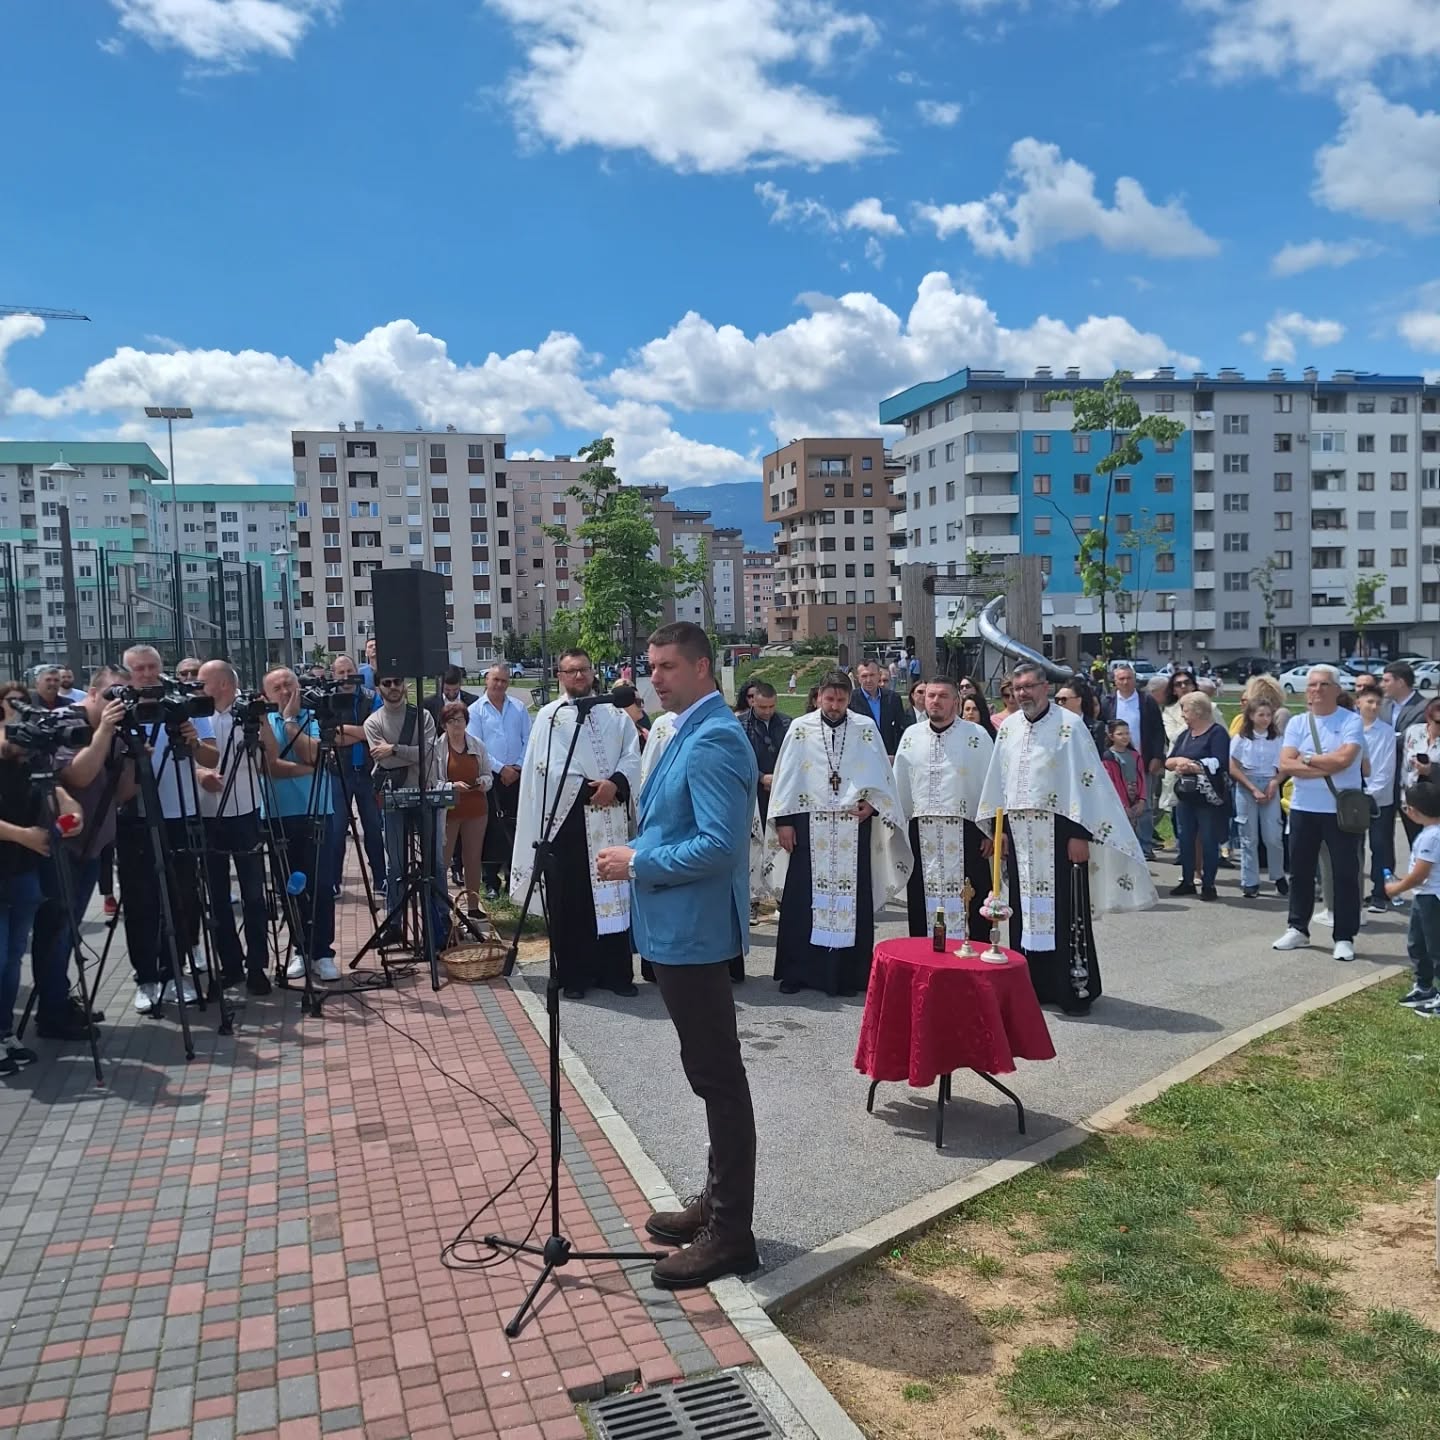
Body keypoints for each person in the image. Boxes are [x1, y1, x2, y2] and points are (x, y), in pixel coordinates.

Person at [595, 623, 759, 1288]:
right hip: (674, 931)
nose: (653, 677)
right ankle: (715, 1205)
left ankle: (731, 1232)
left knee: (718, 1079)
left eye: (666, 666)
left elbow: (720, 846)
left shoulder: (716, 735)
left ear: (701, 668)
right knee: (707, 1073)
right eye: (651, 665)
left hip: (694, 933)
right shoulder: (687, 727)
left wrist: (637, 862)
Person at [976, 662, 1157, 1015]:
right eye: (1017, 687)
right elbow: (998, 781)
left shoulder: (1070, 727)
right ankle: (1031, 986)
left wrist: (1080, 835)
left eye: (1029, 686)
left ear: (1045, 687)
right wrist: (1002, 834)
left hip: (1060, 833)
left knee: (1066, 910)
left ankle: (1072, 987)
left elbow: (1087, 785)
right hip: (1021, 834)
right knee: (1025, 912)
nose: (1023, 693)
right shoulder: (1009, 728)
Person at [763, 670, 911, 997]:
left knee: (852, 899)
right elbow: (787, 777)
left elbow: (881, 778)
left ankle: (849, 974)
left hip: (852, 824)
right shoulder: (800, 730)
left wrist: (872, 806)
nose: (834, 706)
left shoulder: (865, 728)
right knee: (802, 899)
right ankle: (797, 972)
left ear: (848, 698)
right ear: (818, 697)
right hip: (807, 824)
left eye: (840, 699)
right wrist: (784, 822)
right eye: (828, 699)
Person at [511, 649, 642, 1000]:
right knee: (573, 900)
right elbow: (544, 769)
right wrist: (586, 789)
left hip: (610, 816)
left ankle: (616, 974)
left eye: (583, 669)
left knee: (614, 892)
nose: (578, 677)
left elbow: (632, 755)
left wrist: (615, 782)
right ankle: (575, 976)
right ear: (559, 676)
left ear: (593, 671)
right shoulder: (550, 717)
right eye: (570, 672)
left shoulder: (616, 713)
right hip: (567, 822)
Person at [29, 668, 134, 1040]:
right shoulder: (64, 723)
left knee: (69, 931)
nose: (117, 704)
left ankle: (60, 999)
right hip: (60, 844)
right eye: (111, 695)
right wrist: (105, 731)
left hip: (92, 845)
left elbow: (121, 794)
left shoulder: (121, 730)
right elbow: (78, 776)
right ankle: (52, 1013)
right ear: (91, 692)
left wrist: (135, 756)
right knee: (56, 930)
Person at [114, 644, 219, 1014]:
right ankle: (147, 977)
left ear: (161, 668)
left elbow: (212, 756)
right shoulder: (120, 710)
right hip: (137, 818)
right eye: (138, 668)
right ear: (128, 672)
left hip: (182, 815)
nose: (146, 674)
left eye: (151, 667)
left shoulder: (179, 704)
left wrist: (191, 740)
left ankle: (176, 972)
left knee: (182, 898)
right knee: (142, 902)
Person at [0, 724, 82, 1073]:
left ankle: (5, 1034)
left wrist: (71, 811)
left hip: (22, 872)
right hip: (11, 862)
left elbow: (60, 796)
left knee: (13, 956)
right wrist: (22, 836)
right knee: (0, 955)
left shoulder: (28, 763)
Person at [193, 661, 277, 995]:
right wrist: (201, 775)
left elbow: (267, 759)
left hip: (244, 812)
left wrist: (261, 722)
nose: (198, 687)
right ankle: (229, 965)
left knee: (254, 895)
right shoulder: (196, 714)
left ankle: (257, 965)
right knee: (216, 897)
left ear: (224, 684)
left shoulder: (247, 710)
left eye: (203, 682)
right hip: (207, 813)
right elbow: (187, 760)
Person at [1272, 666, 1366, 962]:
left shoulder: (1351, 721)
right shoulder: (1298, 723)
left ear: (1337, 689)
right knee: (1300, 871)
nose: (1316, 690)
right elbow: (1286, 763)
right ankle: (1298, 927)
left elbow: (1344, 760)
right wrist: (1321, 764)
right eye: (1312, 685)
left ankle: (1344, 936)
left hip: (1339, 810)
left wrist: (1309, 759)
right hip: (1303, 808)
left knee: (1345, 874)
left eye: (1324, 684)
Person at [894, 676, 993, 943]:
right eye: (930, 695)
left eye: (943, 696)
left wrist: (991, 832)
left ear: (957, 702)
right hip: (921, 831)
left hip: (968, 832)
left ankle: (971, 967)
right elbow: (901, 785)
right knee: (921, 900)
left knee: (971, 901)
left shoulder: (977, 736)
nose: (935, 701)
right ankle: (926, 963)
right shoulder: (911, 736)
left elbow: (991, 785)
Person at [262, 666, 339, 980]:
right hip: (279, 813)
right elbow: (269, 765)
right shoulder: (263, 721)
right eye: (277, 687)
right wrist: (306, 767)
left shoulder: (312, 716)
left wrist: (292, 722)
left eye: (289, 684)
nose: (285, 691)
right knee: (289, 887)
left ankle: (322, 953)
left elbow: (315, 755)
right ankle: (300, 948)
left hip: (316, 810)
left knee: (321, 884)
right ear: (267, 694)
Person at [365, 671, 447, 940]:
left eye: (396, 681)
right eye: (386, 683)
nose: (392, 687)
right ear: (378, 688)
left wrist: (394, 749)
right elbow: (383, 763)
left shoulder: (422, 716)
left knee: (434, 862)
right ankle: (395, 924)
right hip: (393, 798)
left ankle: (440, 923)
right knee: (396, 865)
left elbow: (427, 754)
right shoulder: (372, 723)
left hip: (425, 794)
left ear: (405, 685)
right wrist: (404, 753)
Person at [325, 654, 387, 899]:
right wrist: (362, 732)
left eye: (349, 670)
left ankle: (380, 879)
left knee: (373, 827)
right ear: (334, 675)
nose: (346, 677)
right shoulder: (328, 700)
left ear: (358, 672)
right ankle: (333, 881)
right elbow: (329, 736)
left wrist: (346, 733)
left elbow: (377, 731)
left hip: (368, 773)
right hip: (339, 772)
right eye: (340, 673)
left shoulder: (372, 697)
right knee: (337, 828)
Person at [467, 664, 531, 897]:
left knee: (517, 827)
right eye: (496, 680)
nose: (500, 685)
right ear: (486, 680)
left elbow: (529, 739)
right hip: (492, 776)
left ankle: (514, 880)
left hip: (517, 775)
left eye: (504, 681)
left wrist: (518, 766)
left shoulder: (519, 708)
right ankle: (491, 881)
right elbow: (476, 744)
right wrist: (501, 768)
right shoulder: (475, 710)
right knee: (491, 829)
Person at [1164, 692, 1230, 900]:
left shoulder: (1217, 733)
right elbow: (1169, 760)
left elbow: (1221, 762)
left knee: (1209, 839)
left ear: (1197, 711)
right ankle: (1187, 880)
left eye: (1185, 709)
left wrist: (1194, 766)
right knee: (1185, 838)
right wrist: (1180, 762)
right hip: (1185, 795)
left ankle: (1209, 884)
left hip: (1206, 797)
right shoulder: (1185, 734)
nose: (1182, 714)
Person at [1100, 663, 1166, 860]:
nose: (1126, 682)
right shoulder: (1108, 702)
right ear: (1115, 681)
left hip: (1142, 760)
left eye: (1129, 678)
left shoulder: (1146, 701)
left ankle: (1145, 847)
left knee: (1143, 805)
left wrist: (1157, 757)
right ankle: (1122, 844)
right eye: (1121, 679)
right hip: (1115, 761)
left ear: (1135, 680)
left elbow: (1157, 731)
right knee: (1119, 803)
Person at [1387, 780, 1440, 1013]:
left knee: (1435, 948)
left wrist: (1396, 888)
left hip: (1432, 898)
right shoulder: (1428, 832)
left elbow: (1420, 874)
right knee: (1417, 943)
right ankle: (1424, 986)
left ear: (1414, 811)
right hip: (1423, 898)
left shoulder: (1432, 837)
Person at [1229, 698, 1286, 900]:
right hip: (1247, 784)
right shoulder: (1242, 738)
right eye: (1260, 715)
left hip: (1270, 783)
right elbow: (1233, 767)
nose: (1265, 719)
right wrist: (1252, 788)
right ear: (1251, 716)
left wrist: (1274, 782)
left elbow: (1284, 766)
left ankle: (1278, 875)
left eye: (1268, 715)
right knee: (1249, 836)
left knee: (1273, 835)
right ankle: (1250, 881)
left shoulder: (1277, 738)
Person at [439, 702, 490, 913]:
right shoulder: (437, 748)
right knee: (443, 858)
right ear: (444, 725)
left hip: (476, 808)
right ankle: (441, 907)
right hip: (449, 811)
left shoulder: (477, 745)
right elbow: (433, 781)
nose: (456, 725)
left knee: (472, 858)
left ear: (466, 722)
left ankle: (473, 906)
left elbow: (488, 774)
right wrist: (452, 787)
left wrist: (483, 782)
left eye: (459, 720)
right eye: (451, 721)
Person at [1357, 685, 1398, 915]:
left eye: (1377, 703)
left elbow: (1385, 768)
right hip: (1353, 799)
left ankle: (1381, 892)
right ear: (1358, 702)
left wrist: (1370, 792)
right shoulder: (1350, 728)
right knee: (1354, 847)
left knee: (1380, 847)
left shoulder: (1386, 732)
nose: (1373, 707)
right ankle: (1355, 890)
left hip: (1379, 800)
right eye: (1369, 702)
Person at [740, 683, 789, 829]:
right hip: (752, 794)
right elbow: (738, 760)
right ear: (753, 701)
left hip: (781, 789)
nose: (768, 711)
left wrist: (779, 777)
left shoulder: (787, 723)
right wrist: (760, 777)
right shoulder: (740, 725)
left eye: (771, 706)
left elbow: (793, 757)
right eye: (762, 707)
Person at [1399, 696, 1440, 847]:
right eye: (1438, 722)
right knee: (1416, 845)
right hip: (1411, 800)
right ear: (1428, 718)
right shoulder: (1413, 732)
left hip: (1436, 802)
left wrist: (1431, 770)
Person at [847, 660, 909, 756]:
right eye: (864, 676)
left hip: (889, 757)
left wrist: (897, 754)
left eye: (872, 675)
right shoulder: (850, 700)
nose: (868, 680)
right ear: (858, 678)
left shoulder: (893, 698)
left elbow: (900, 729)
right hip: (861, 757)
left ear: (879, 675)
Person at [1101, 720, 1147, 844]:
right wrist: (1123, 805)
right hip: (1119, 798)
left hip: (1135, 796)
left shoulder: (1135, 755)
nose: (1125, 737)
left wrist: (1142, 800)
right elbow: (1113, 783)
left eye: (1127, 733)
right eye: (1120, 734)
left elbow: (1141, 777)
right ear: (1111, 736)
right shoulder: (1109, 757)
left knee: (1134, 832)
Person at [1056, 678, 1107, 753]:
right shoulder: (1055, 724)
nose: (1060, 703)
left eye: (1064, 699)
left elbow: (1097, 755)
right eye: (1057, 699)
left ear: (1078, 700)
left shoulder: (1094, 726)